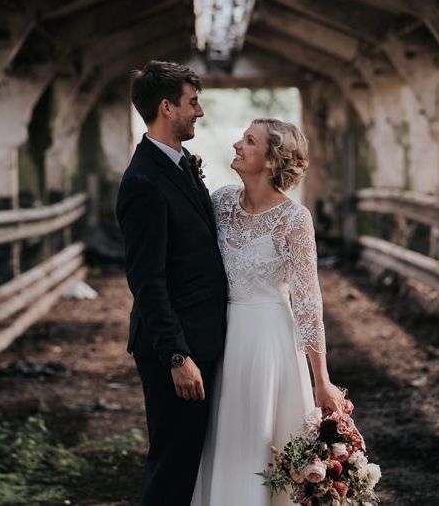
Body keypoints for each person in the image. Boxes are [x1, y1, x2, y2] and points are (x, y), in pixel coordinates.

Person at [191, 118, 345, 506]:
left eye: (249, 141)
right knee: (226, 434)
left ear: (273, 161)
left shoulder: (294, 219)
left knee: (262, 438)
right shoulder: (221, 202)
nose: (237, 145)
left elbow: (309, 301)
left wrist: (321, 380)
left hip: (269, 339)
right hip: (223, 335)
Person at [116, 61, 228, 506]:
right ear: (167, 107)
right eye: (192, 102)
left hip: (203, 336)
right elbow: (147, 280)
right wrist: (177, 355)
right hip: (177, 346)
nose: (199, 112)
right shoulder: (143, 181)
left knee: (193, 458)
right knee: (174, 463)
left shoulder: (179, 165)